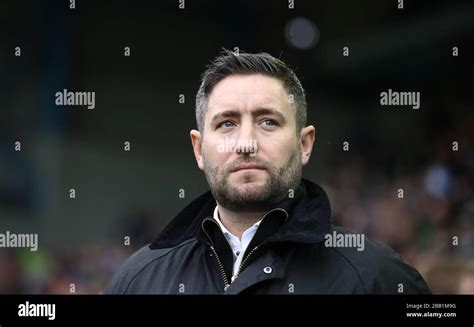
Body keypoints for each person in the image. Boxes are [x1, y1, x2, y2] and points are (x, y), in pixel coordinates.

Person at [105, 49, 431, 294]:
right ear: (198, 149)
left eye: (268, 122)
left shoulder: (377, 278)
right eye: (227, 123)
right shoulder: (136, 281)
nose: (246, 143)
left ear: (304, 144)